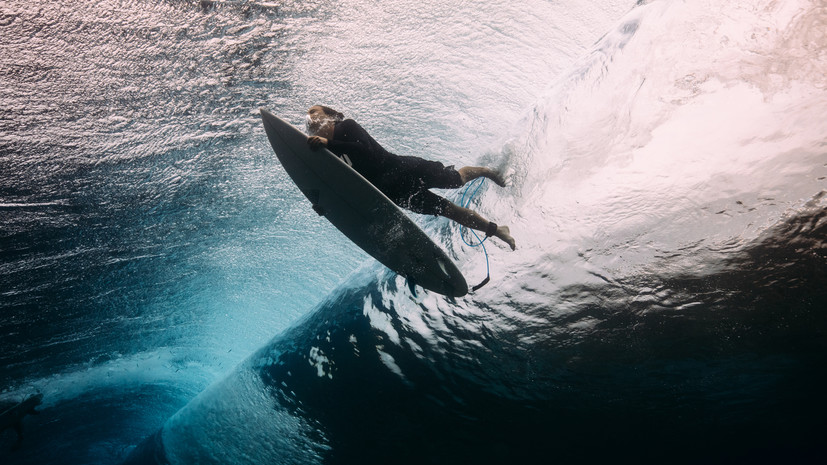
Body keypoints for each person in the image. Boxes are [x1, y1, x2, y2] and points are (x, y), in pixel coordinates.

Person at [305, 105, 515, 250]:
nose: (310, 118)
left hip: (404, 169)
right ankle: (496, 230)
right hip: (395, 194)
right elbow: (339, 187)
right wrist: (325, 206)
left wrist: (327, 143)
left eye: (315, 112)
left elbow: (365, 151)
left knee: (456, 180)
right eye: (308, 118)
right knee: (449, 211)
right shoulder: (328, 157)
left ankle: (487, 171)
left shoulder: (346, 127)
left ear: (329, 115)